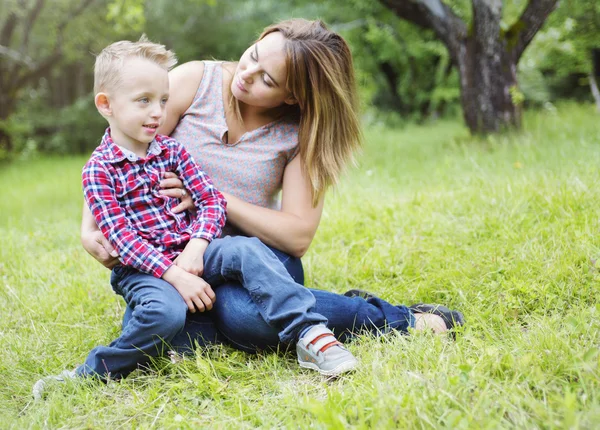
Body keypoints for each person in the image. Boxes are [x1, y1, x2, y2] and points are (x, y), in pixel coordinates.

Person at [80, 19, 464, 360]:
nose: (246, 74)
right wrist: (89, 227)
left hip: (258, 256)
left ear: (293, 95)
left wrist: (212, 197)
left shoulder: (301, 135)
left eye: (267, 79)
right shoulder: (196, 81)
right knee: (171, 327)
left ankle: (398, 318)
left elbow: (296, 236)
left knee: (244, 317)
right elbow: (118, 147)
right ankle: (312, 310)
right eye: (252, 56)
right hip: (183, 252)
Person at [33, 36, 358, 399]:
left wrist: (196, 247)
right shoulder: (101, 168)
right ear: (106, 105)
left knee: (245, 262)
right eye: (250, 56)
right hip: (150, 266)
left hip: (204, 249)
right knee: (166, 318)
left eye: (162, 102)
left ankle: (313, 334)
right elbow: (121, 236)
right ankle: (91, 372)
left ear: (292, 96)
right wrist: (165, 269)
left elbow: (212, 202)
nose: (157, 112)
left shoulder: (172, 150)